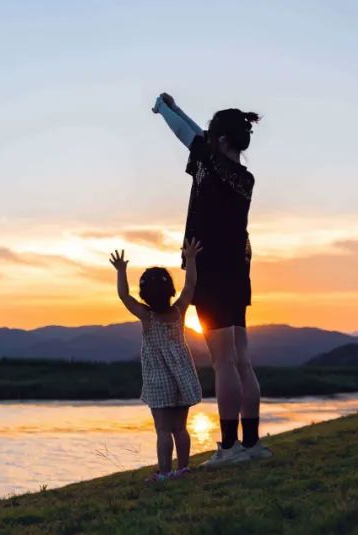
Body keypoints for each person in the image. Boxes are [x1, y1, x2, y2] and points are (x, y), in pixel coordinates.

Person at [152, 92, 270, 465]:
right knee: (241, 361)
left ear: (220, 140)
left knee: (222, 363)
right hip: (237, 272)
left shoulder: (211, 164)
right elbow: (197, 134)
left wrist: (163, 108)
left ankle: (230, 449)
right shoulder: (244, 177)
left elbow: (186, 135)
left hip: (211, 271)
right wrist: (176, 108)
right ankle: (251, 446)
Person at [110, 240, 203, 483]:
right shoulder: (180, 312)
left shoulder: (146, 316)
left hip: (158, 381)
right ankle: (182, 469)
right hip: (182, 376)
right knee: (180, 428)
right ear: (170, 291)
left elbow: (123, 295)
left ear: (145, 296)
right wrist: (190, 258)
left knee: (163, 430)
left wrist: (121, 270)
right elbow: (190, 284)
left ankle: (164, 473)